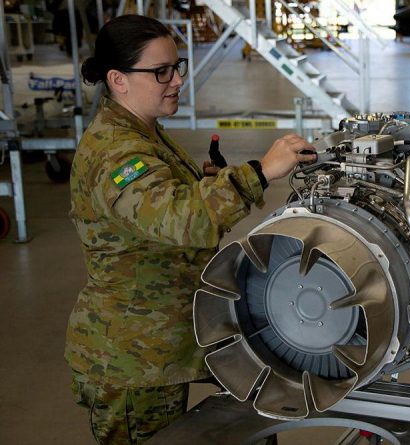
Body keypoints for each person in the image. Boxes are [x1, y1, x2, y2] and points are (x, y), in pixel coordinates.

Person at [65, 15, 315, 444]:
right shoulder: (116, 151)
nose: (176, 80)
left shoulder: (143, 133)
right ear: (117, 80)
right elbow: (183, 220)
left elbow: (154, 209)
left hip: (171, 335)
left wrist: (204, 184)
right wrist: (259, 171)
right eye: (160, 71)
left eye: (177, 66)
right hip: (134, 356)